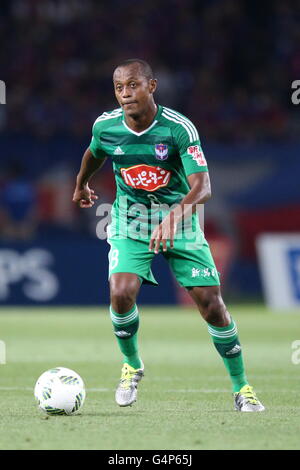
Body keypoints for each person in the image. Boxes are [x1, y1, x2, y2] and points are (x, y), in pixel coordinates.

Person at [73, 59, 265, 412]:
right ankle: (131, 366)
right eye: (119, 88)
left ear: (152, 86)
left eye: (133, 85)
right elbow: (94, 152)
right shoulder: (106, 126)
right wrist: (82, 182)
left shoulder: (179, 129)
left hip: (182, 220)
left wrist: (174, 217)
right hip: (130, 222)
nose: (125, 94)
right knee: (121, 293)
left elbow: (203, 186)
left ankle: (243, 388)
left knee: (212, 306)